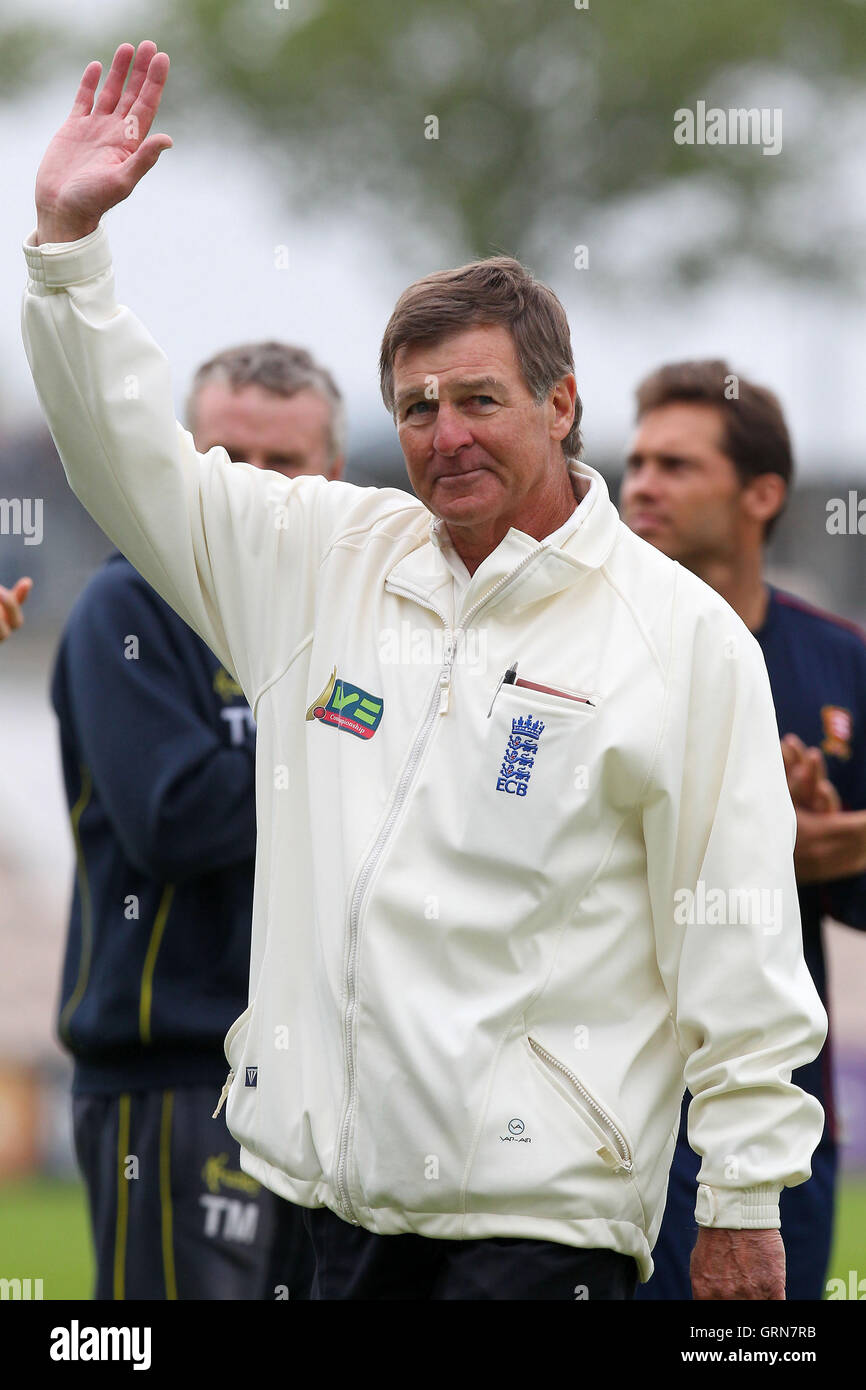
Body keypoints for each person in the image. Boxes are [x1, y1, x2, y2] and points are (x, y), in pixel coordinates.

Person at [22, 41, 827, 1301]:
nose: (443, 435)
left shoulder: (679, 637)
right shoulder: (325, 555)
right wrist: (70, 249)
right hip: (321, 1200)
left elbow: (734, 930)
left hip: (536, 1223)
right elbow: (130, 463)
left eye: (478, 400)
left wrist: (740, 1197)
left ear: (561, 406)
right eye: (413, 406)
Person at [50, 340, 343, 1300]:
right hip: (176, 1076)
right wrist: (336, 740)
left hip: (334, 1076)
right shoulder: (124, 606)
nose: (254, 489)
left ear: (332, 474)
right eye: (229, 457)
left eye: (285, 464)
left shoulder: (352, 617)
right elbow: (175, 817)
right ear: (187, 457)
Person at [621, 359, 866, 1301]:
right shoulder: (583, 646)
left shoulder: (836, 659)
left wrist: (831, 845)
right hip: (605, 1111)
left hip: (775, 1117)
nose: (641, 482)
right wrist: (742, 841)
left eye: (677, 465)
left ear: (762, 493)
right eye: (638, 461)